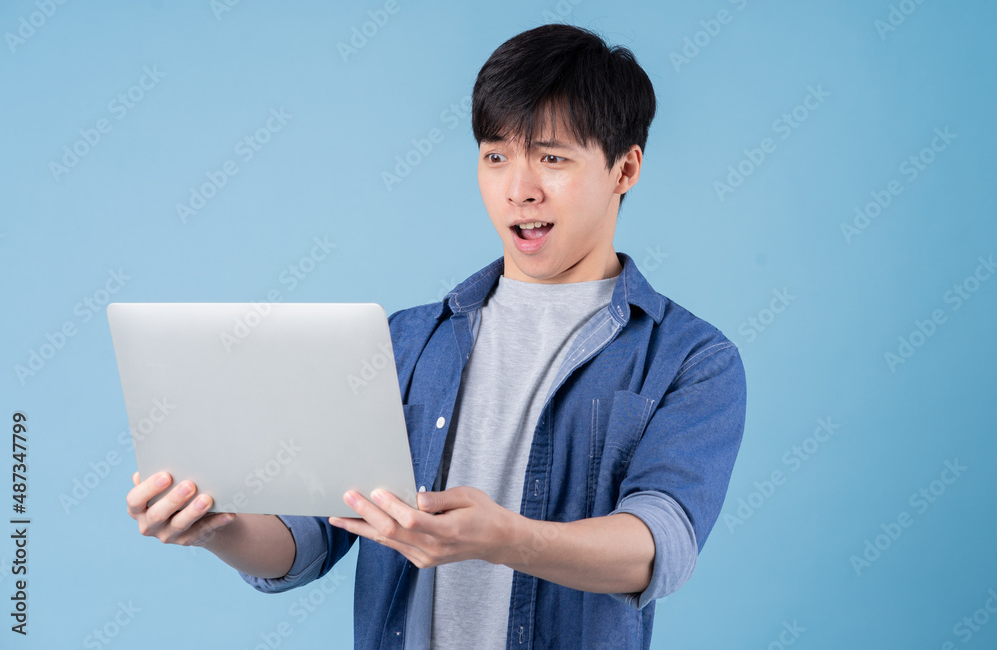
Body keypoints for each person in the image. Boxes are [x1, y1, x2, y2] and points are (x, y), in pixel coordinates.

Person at [126, 23, 747, 649]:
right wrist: (215, 527)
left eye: (552, 157)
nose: (518, 187)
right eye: (495, 155)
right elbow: (309, 537)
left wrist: (507, 537)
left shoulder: (690, 359)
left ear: (625, 168)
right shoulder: (405, 342)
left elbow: (658, 548)